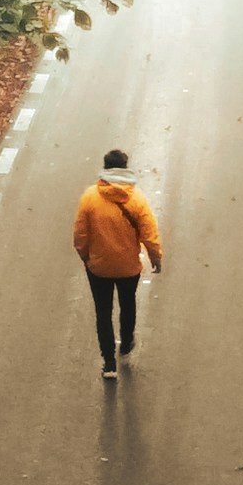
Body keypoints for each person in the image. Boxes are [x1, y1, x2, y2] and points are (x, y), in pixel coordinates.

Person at [72, 150, 167, 378]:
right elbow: (149, 233)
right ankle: (126, 341)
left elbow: (80, 235)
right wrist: (156, 257)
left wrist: (86, 256)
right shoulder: (137, 199)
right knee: (128, 303)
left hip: (99, 267)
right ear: (125, 169)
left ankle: (108, 364)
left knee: (103, 312)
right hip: (128, 267)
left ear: (105, 169)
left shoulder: (90, 198)